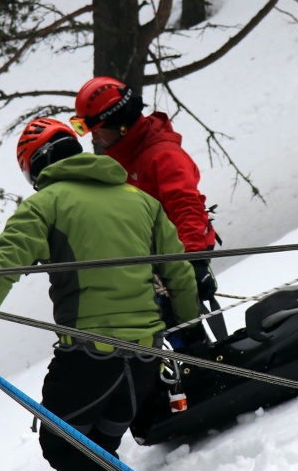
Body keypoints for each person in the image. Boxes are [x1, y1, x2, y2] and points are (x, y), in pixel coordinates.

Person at [0, 118, 200, 471]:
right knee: (98, 444)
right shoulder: (140, 200)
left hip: (89, 358)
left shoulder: (45, 205)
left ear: (36, 166)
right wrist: (189, 327)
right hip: (145, 356)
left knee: (61, 443)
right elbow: (179, 272)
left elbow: (0, 271)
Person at [71, 76, 220, 306]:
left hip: (178, 258)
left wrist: (194, 261)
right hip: (148, 266)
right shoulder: (117, 159)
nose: (94, 136)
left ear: (119, 123)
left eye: (98, 128)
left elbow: (186, 206)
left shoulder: (162, 155)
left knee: (179, 322)